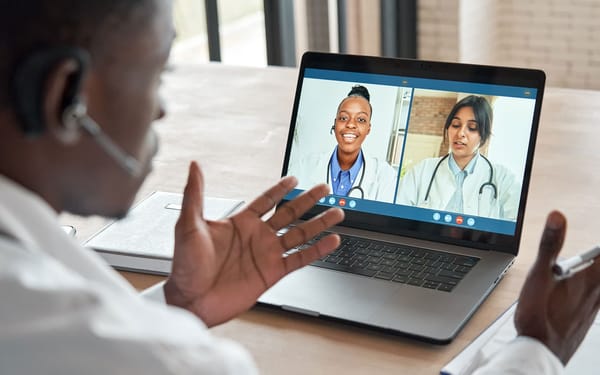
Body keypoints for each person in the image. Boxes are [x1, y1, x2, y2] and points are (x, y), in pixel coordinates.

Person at [0, 1, 599, 374]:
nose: (160, 111)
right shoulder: (163, 362)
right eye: (157, 73)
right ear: (66, 98)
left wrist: (174, 305)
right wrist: (537, 349)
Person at [396, 95, 520, 220]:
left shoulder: (503, 179)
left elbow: (516, 225)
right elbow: (398, 214)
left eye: (472, 128)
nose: (460, 133)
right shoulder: (422, 170)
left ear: (483, 135)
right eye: (455, 125)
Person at [290, 85, 397, 202]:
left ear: (368, 129)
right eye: (344, 118)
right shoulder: (302, 168)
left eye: (361, 119)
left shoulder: (386, 177)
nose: (351, 124)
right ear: (335, 124)